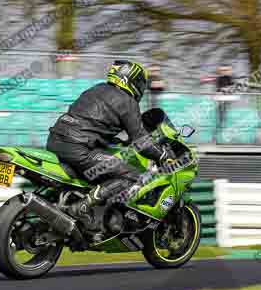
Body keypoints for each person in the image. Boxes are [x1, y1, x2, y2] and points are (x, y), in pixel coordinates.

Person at [47, 60, 173, 216]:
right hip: (80, 149)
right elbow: (141, 141)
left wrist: (115, 141)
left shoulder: (96, 89)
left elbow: (89, 122)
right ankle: (82, 207)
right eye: (140, 82)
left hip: (55, 142)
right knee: (132, 177)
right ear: (131, 80)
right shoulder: (127, 101)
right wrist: (162, 155)